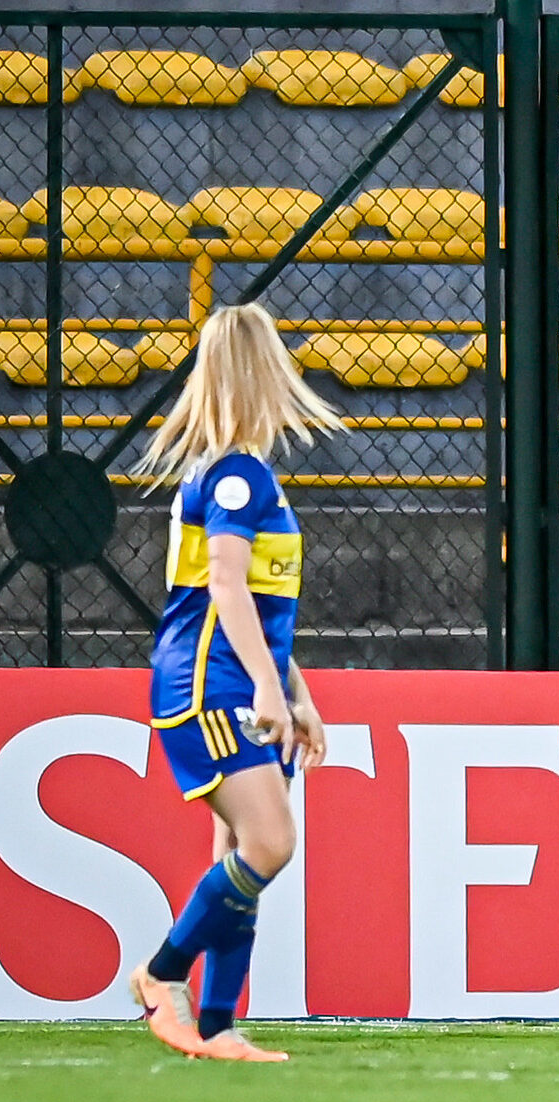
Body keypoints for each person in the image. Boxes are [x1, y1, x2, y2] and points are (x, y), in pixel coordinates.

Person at [128, 303, 337, 1062]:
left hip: (232, 679)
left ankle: (217, 1027)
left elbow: (260, 605)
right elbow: (225, 586)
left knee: (240, 850)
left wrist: (296, 691)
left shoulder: (238, 475)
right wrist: (266, 690)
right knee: (270, 842)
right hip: (210, 686)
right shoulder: (239, 480)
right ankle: (161, 976)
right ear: (262, 372)